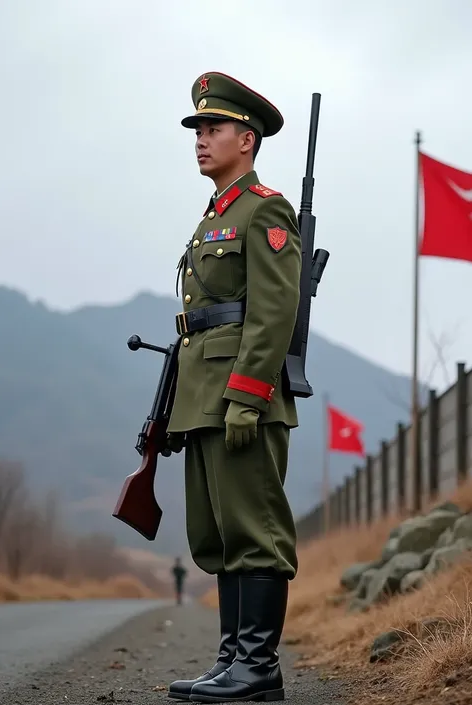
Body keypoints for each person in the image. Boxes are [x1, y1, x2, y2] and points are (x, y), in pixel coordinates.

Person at [165, 71, 302, 703]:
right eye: (197, 129)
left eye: (212, 129)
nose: (200, 139)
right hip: (205, 399)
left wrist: (247, 395)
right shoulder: (212, 216)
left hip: (240, 398)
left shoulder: (264, 209)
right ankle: (232, 665)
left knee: (254, 529)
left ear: (245, 139)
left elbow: (274, 312)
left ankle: (258, 669)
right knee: (219, 536)